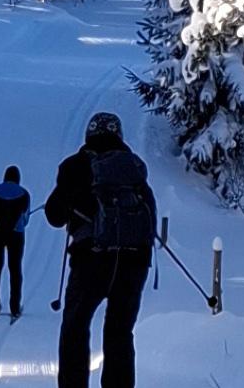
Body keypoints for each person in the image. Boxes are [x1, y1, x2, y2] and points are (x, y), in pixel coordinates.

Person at [46, 112, 156, 388]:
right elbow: (149, 217)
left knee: (75, 328)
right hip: (134, 261)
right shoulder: (134, 167)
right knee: (120, 333)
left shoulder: (74, 166)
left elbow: (54, 215)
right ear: (119, 135)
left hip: (90, 259)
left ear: (88, 135)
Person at [0, 165, 31, 319]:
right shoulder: (24, 194)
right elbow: (25, 219)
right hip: (16, 235)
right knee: (15, 268)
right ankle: (14, 308)